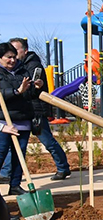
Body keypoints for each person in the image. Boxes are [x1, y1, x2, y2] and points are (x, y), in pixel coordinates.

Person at [8, 38, 71, 182]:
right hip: (22, 110)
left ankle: (63, 167)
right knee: (14, 143)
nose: (13, 55)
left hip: (35, 110)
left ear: (25, 50)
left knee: (47, 141)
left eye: (16, 50)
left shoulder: (33, 65)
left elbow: (31, 88)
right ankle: (6, 173)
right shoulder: (17, 67)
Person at [0, 42, 40, 197]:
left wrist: (36, 87)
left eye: (14, 57)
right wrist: (17, 91)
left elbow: (30, 95)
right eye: (8, 57)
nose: (12, 60)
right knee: (1, 154)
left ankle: (15, 185)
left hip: (23, 120)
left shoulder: (23, 71)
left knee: (19, 156)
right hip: (4, 122)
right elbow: (2, 94)